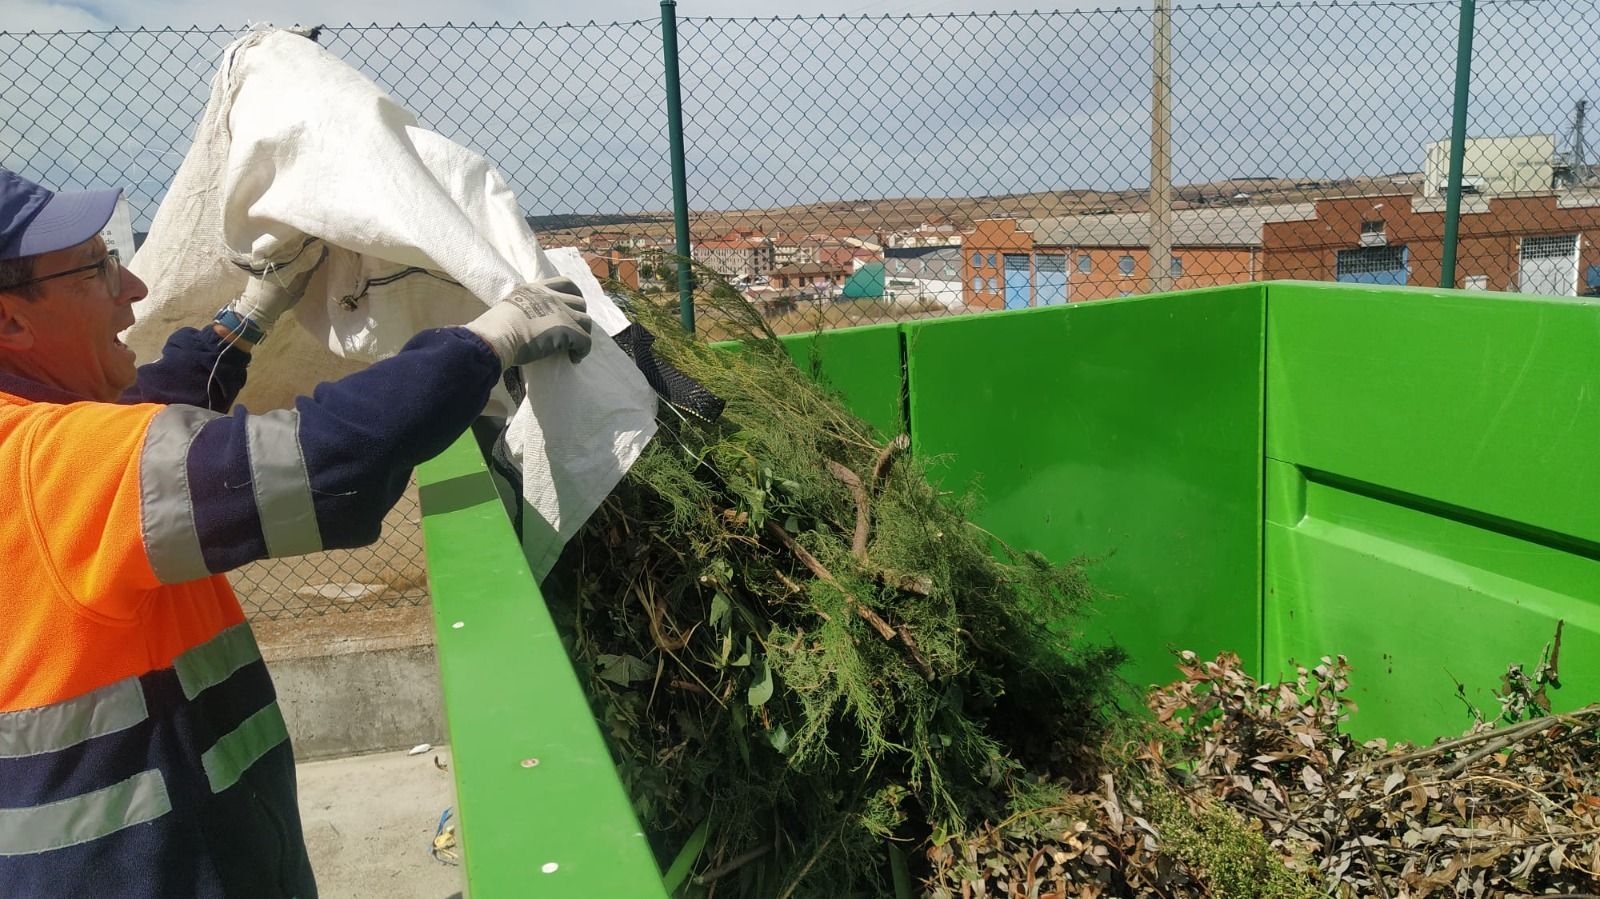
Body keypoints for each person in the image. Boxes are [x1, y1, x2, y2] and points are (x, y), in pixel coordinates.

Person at [0, 168, 593, 898]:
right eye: (97, 268)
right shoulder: (38, 466)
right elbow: (317, 463)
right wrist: (483, 343)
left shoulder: (41, 454)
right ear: (10, 323)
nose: (134, 290)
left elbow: (148, 416)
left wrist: (254, 309)